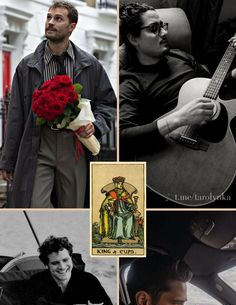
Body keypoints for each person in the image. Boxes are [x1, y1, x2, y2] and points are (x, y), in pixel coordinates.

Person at [0, 1, 116, 208]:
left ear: (72, 26)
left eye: (58, 18)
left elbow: (107, 104)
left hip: (75, 145)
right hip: (39, 144)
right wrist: (8, 160)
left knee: (73, 207)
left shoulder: (91, 65)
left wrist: (96, 125)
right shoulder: (26, 66)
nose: (50, 23)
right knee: (35, 205)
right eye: (49, 17)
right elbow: (16, 113)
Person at [119, 3, 236, 205]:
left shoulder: (181, 56)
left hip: (215, 138)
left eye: (163, 25)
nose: (164, 32)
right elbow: (123, 137)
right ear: (133, 38)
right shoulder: (131, 82)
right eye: (153, 29)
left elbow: (211, 87)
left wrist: (232, 76)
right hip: (175, 154)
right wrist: (179, 118)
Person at [99, 176, 137, 242]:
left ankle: (129, 235)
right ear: (115, 184)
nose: (121, 185)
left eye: (121, 183)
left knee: (130, 216)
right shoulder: (112, 193)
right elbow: (106, 203)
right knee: (119, 219)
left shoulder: (125, 193)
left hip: (125, 211)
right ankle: (119, 236)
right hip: (116, 212)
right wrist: (109, 207)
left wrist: (131, 206)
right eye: (119, 183)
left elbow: (129, 203)